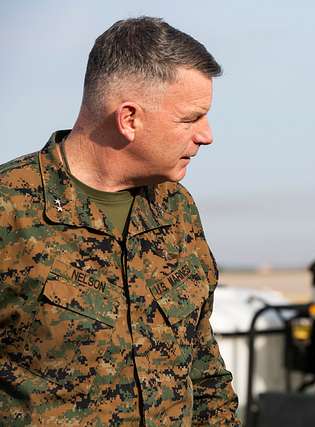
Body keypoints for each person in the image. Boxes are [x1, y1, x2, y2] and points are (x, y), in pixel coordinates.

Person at [0, 17, 239, 426]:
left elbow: (204, 372)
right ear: (129, 118)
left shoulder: (175, 211)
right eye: (191, 118)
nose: (207, 135)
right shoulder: (11, 211)